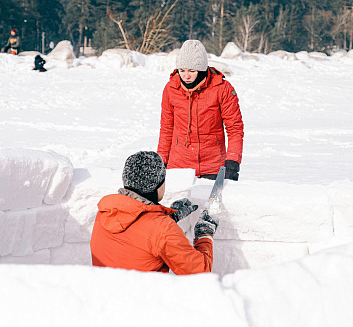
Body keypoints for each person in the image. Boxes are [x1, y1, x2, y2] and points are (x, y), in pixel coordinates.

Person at [90, 151, 219, 275]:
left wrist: (170, 217)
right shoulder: (162, 229)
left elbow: (137, 239)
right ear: (159, 186)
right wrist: (204, 234)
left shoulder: (105, 212)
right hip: (145, 297)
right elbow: (199, 272)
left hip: (104, 295)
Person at [157, 40, 244, 181]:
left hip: (213, 167)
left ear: (202, 69)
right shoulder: (171, 89)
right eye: (182, 70)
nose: (186, 76)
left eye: (192, 71)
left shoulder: (222, 89)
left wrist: (233, 162)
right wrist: (161, 160)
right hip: (179, 167)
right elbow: (167, 129)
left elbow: (235, 130)